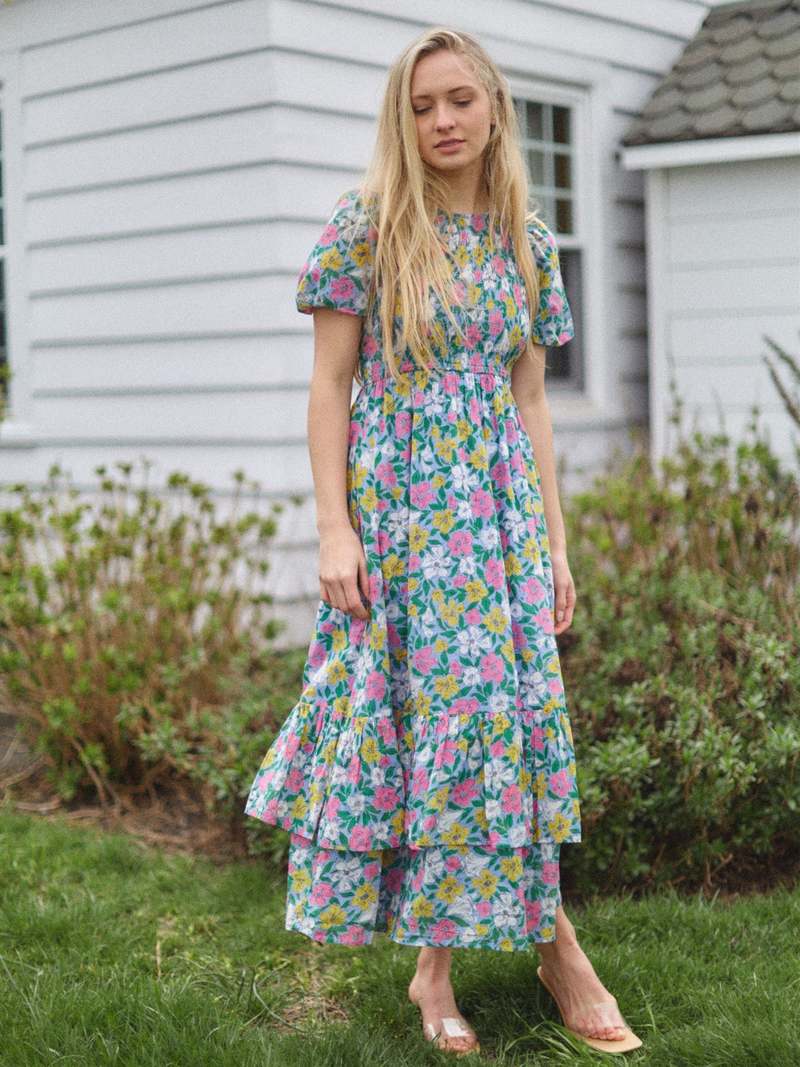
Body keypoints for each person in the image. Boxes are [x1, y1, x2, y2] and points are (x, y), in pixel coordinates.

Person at [244, 25, 643, 1057]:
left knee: (491, 730)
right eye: (421, 106)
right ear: (402, 120)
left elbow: (530, 401)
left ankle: (446, 965)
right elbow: (329, 384)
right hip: (403, 520)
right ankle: (555, 952)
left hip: (499, 522)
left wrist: (555, 545)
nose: (442, 121)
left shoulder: (527, 239)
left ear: (495, 106)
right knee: (434, 726)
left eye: (459, 99)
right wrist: (334, 528)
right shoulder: (368, 226)